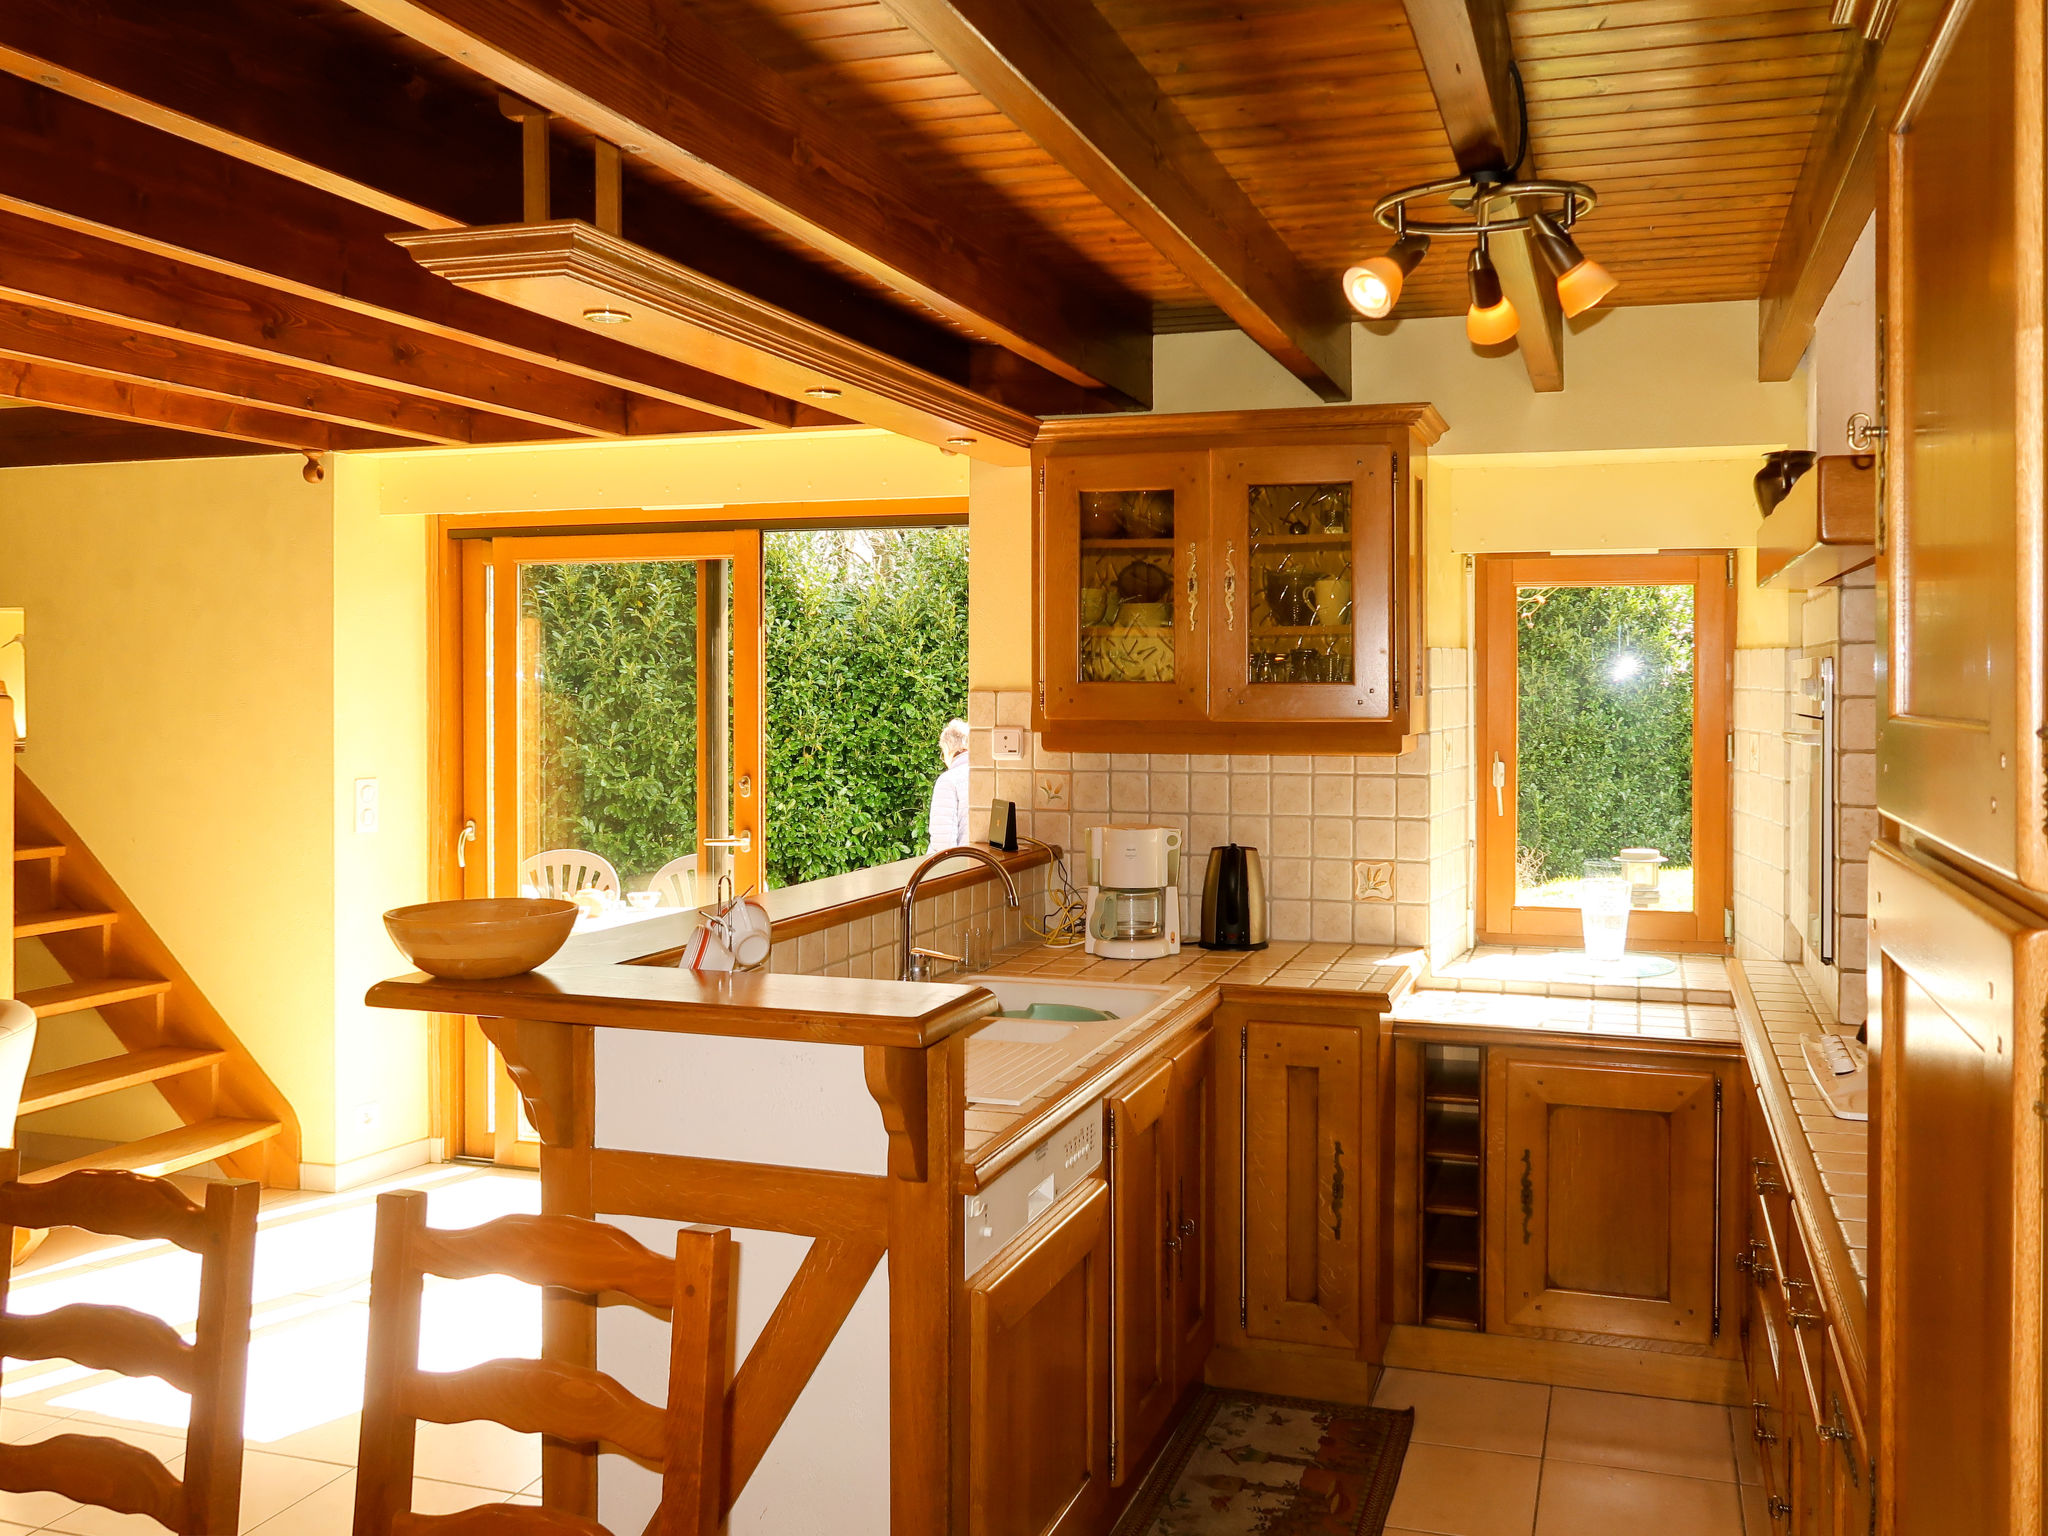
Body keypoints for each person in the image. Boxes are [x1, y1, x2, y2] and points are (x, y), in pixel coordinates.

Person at [925, 718, 971, 853]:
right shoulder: (986, 774)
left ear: (947, 749)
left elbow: (943, 842)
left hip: (962, 861)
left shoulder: (948, 780)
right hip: (987, 859)